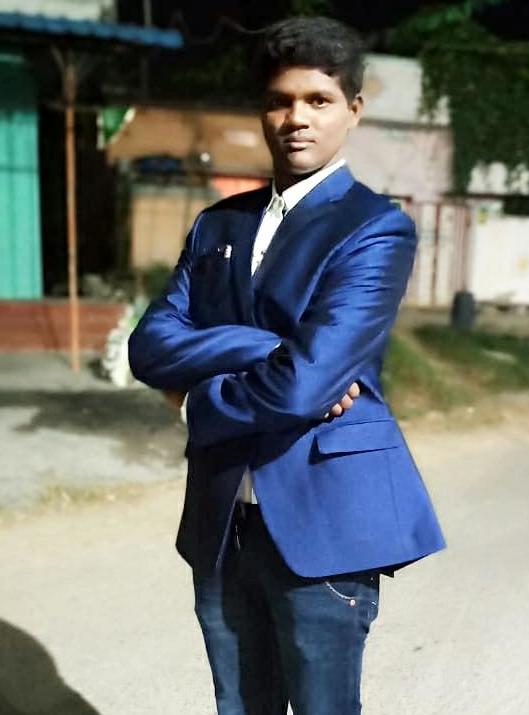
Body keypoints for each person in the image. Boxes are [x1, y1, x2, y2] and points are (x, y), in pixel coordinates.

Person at [128, 15, 445, 715]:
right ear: (262, 111)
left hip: (324, 523)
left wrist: (195, 399)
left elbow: (303, 386)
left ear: (352, 110)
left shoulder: (375, 228)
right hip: (222, 523)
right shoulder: (218, 224)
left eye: (318, 100)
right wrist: (268, 347)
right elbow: (149, 347)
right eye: (280, 101)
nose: (297, 118)